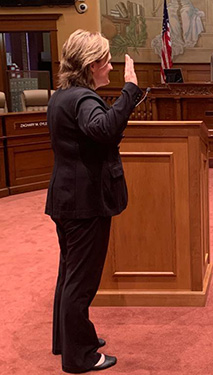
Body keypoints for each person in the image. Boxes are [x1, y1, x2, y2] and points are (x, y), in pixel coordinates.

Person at [46, 29, 142, 373]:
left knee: (69, 273)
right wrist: (130, 89)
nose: (112, 67)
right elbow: (104, 130)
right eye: (107, 61)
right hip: (84, 203)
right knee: (81, 282)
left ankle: (66, 339)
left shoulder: (62, 96)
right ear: (91, 64)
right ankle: (80, 356)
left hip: (66, 197)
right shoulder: (85, 100)